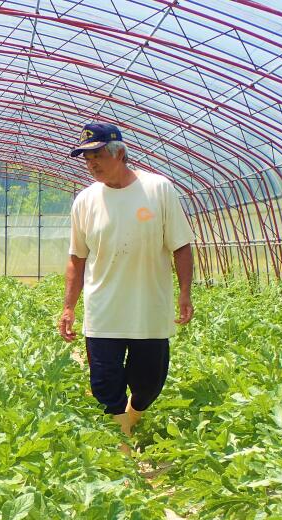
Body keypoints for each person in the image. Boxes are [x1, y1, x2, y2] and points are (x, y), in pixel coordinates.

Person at [58, 122, 194, 448]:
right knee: (105, 384)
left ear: (119, 152)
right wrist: (68, 307)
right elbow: (76, 259)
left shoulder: (158, 189)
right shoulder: (86, 201)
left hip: (150, 307)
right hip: (103, 310)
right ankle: (121, 444)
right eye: (86, 159)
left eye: (97, 155)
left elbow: (181, 246)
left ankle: (131, 419)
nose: (91, 164)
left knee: (149, 383)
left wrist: (185, 293)